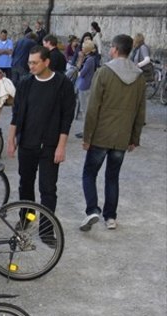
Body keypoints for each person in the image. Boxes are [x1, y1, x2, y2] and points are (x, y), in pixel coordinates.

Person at [7, 46, 75, 244]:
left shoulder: (62, 84)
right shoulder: (26, 83)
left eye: (35, 62)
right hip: (27, 144)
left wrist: (61, 146)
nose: (31, 66)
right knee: (25, 185)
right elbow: (17, 114)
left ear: (46, 62)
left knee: (48, 189)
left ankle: (46, 229)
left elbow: (66, 118)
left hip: (50, 146)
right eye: (29, 62)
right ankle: (27, 217)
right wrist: (11, 139)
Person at [79, 34, 145, 232]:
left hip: (101, 134)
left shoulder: (104, 72)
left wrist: (87, 136)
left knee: (89, 173)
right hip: (122, 136)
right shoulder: (139, 76)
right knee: (112, 176)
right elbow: (140, 111)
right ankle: (110, 217)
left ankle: (92, 209)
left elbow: (92, 108)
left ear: (115, 49)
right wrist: (135, 138)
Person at [75, 40, 98, 120]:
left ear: (86, 49)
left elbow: (82, 73)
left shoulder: (89, 59)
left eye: (83, 47)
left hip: (85, 85)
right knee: (84, 107)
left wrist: (80, 60)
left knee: (85, 108)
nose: (81, 49)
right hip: (85, 83)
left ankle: (85, 129)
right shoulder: (89, 58)